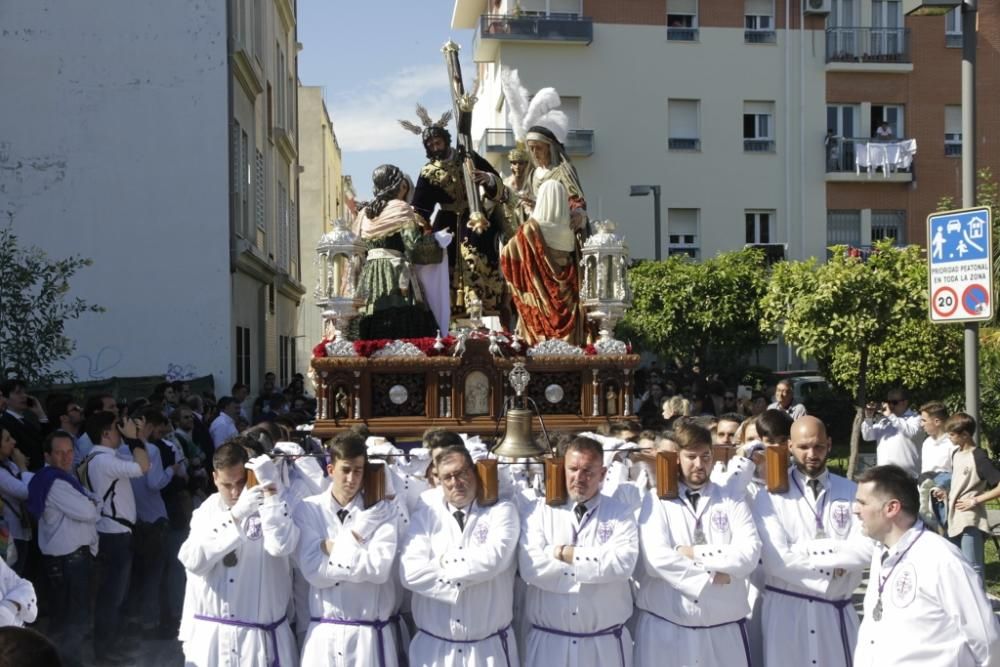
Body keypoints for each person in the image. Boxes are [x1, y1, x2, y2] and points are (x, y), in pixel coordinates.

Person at [633, 419, 761, 666]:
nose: (699, 464)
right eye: (691, 456)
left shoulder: (730, 497)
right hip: (667, 628)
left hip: (722, 630)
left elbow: (749, 554)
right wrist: (713, 576)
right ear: (677, 458)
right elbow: (656, 559)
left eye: (706, 456)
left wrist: (691, 552)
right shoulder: (656, 499)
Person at [752, 416, 873, 667]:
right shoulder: (770, 495)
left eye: (818, 446)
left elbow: (866, 548)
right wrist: (835, 564)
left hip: (835, 611)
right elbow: (777, 562)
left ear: (829, 444)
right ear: (789, 447)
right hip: (787, 612)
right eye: (804, 447)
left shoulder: (851, 491)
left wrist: (802, 551)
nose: (812, 454)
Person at [852, 464, 1000, 666]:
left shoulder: (941, 559)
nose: (855, 510)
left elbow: (987, 640)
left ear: (891, 508)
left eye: (862, 503)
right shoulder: (882, 552)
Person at [518, 436, 638, 667]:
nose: (579, 478)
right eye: (573, 469)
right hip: (550, 645)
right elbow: (531, 567)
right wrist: (594, 565)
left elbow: (623, 564)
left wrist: (563, 553)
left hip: (603, 647)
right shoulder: (538, 511)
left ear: (602, 474)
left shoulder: (620, 513)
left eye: (588, 471)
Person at [178, 441, 299, 666]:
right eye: (226, 485)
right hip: (214, 642)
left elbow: (281, 546)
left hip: (260, 641)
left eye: (241, 483)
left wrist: (272, 493)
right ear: (214, 478)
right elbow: (193, 560)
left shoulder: (275, 506)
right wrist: (235, 516)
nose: (235, 492)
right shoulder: (205, 512)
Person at [399, 444, 520, 666]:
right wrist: (467, 566)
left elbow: (492, 561)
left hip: (487, 651)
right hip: (434, 651)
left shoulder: (502, 511)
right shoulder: (425, 514)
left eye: (461, 473)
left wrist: (440, 562)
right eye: (447, 477)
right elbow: (409, 573)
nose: (455, 482)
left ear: (474, 472)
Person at [295, 432, 406, 666]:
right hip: (324, 634)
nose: (352, 478)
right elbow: (312, 572)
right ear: (330, 470)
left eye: (358, 470)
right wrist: (357, 535)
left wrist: (330, 548)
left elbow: (378, 570)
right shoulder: (308, 509)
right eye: (346, 470)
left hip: (368, 636)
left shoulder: (381, 511)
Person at [402, 104, 507, 317]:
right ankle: (452, 310)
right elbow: (421, 207)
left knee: (479, 258)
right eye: (429, 143)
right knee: (445, 264)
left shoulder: (468, 158)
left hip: (475, 216)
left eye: (436, 140)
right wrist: (416, 228)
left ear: (445, 139)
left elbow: (498, 182)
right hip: (447, 221)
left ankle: (484, 305)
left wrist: (486, 179)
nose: (434, 145)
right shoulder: (428, 172)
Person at [78, 411, 150, 664]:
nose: (122, 432)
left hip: (115, 533)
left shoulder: (100, 458)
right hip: (114, 535)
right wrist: (134, 440)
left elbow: (138, 460)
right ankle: (105, 652)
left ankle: (109, 647)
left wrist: (137, 437)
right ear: (106, 433)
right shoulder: (103, 461)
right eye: (118, 429)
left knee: (114, 595)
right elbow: (142, 466)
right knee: (111, 597)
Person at [27, 431, 99, 667]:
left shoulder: (55, 478)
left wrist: (91, 502)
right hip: (70, 561)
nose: (66, 457)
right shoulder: (56, 482)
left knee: (65, 620)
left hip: (65, 561)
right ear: (47, 455)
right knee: (73, 622)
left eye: (69, 452)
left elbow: (90, 504)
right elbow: (91, 511)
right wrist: (92, 504)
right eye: (59, 452)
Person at [352, 164, 439, 340]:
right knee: (403, 325)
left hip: (369, 276)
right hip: (396, 275)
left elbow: (357, 248)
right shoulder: (401, 208)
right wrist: (436, 242)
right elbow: (415, 247)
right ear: (397, 185)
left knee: (371, 323)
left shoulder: (365, 213)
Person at [500, 179, 583, 346]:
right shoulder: (570, 231)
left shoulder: (530, 229)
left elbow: (507, 254)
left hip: (538, 299)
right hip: (568, 298)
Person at [941, 412, 1000, 579]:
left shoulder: (978, 456)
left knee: (973, 567)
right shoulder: (955, 454)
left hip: (970, 521)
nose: (949, 438)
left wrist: (975, 500)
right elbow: (960, 483)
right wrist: (945, 492)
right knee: (956, 567)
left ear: (965, 434)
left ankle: (979, 604)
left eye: (952, 434)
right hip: (952, 519)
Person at [861, 388, 922, 478]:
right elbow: (868, 436)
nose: (890, 406)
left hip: (907, 476)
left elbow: (911, 433)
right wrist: (868, 418)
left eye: (894, 402)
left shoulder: (915, 418)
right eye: (888, 402)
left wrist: (891, 416)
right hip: (884, 475)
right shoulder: (884, 421)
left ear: (905, 402)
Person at [917, 401, 954, 528]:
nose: (921, 424)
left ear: (937, 422)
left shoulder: (952, 443)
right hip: (926, 497)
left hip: (945, 498)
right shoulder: (927, 442)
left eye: (924, 420)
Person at [0, 426, 31, 575]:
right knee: (12, 576)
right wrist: (23, 466)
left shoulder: (9, 464)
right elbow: (26, 492)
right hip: (7, 535)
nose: (14, 442)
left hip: (20, 529)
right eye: (7, 439)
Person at [0, 379, 48, 472]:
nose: (24, 396)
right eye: (18, 393)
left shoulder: (26, 422)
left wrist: (40, 414)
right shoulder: (4, 423)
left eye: (24, 392)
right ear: (5, 398)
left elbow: (46, 440)